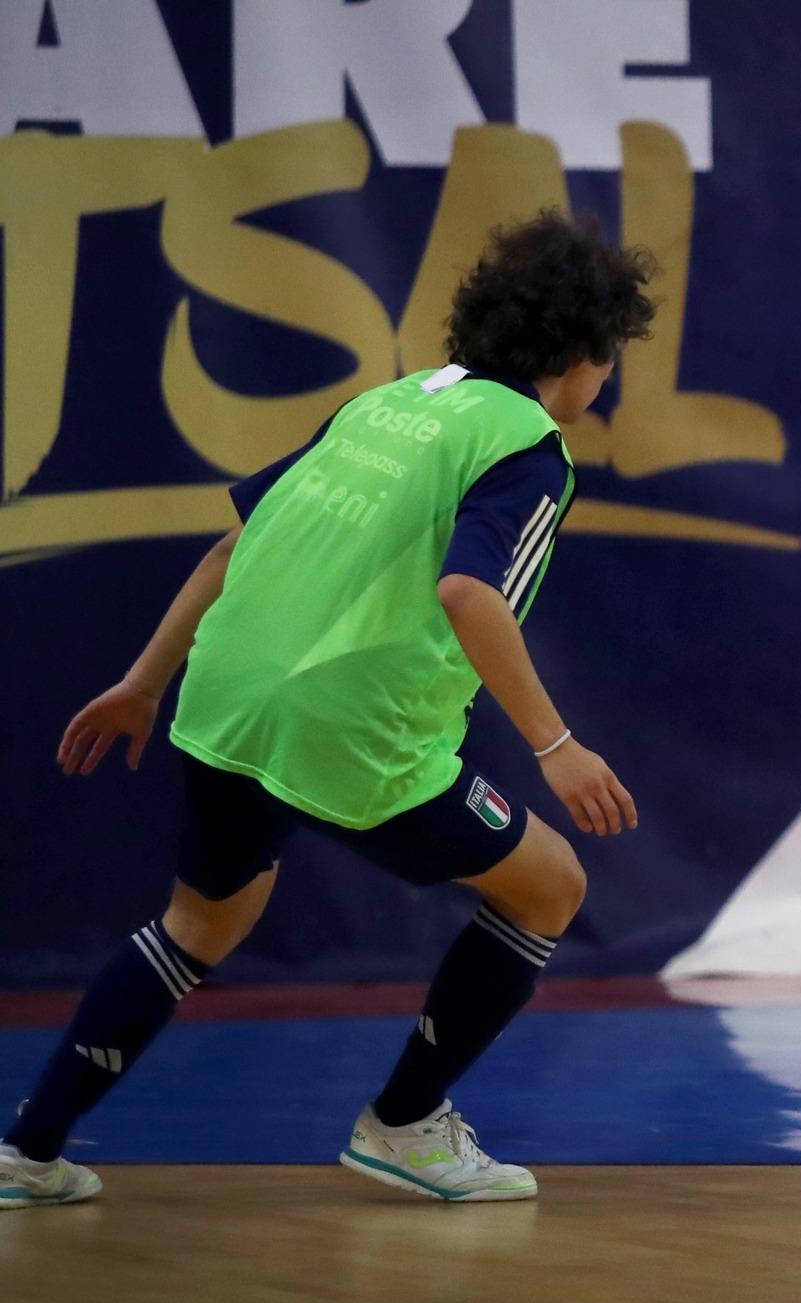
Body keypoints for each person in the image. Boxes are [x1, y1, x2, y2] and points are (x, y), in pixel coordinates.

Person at [0, 210, 654, 1208]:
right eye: (608, 360)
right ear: (578, 352)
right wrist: (554, 744)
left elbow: (231, 547)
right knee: (549, 885)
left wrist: (142, 682)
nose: (604, 382)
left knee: (196, 926)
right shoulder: (526, 445)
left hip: (226, 698)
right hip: (349, 729)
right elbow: (470, 593)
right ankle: (403, 1126)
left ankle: (26, 1152)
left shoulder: (381, 405)